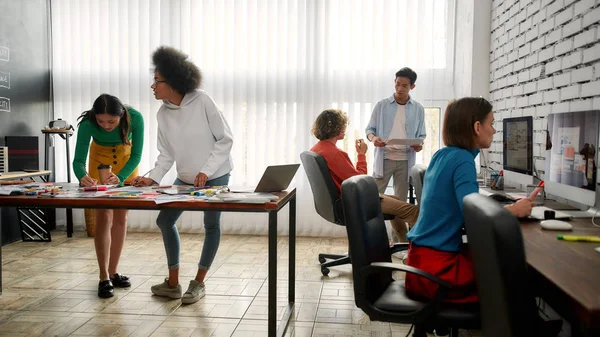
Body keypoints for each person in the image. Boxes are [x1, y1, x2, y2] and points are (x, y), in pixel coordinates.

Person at [405, 97, 533, 304]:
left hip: (420, 263)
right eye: (491, 123)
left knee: (500, 263)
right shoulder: (463, 161)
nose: (493, 130)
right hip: (437, 273)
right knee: (512, 276)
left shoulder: (441, 155)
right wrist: (514, 210)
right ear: (477, 127)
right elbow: (474, 218)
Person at [133, 46, 234, 304]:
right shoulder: (163, 113)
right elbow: (166, 153)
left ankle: (198, 282)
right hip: (185, 178)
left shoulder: (202, 101)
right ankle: (173, 283)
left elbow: (225, 140)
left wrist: (206, 171)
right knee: (165, 222)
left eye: (157, 81)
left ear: (174, 83)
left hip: (216, 176)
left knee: (211, 226)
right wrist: (152, 177)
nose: (152, 86)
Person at [73, 94, 144, 298]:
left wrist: (121, 177)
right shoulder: (87, 124)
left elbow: (137, 154)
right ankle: (103, 276)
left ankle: (114, 272)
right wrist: (83, 176)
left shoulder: (136, 118)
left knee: (121, 217)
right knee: (104, 215)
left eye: (111, 121)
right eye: (101, 121)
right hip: (99, 163)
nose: (106, 126)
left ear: (121, 114)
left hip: (126, 163)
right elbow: (78, 160)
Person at [310, 109, 419, 241]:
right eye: (343, 125)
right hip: (355, 202)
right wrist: (361, 155)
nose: (345, 128)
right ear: (334, 127)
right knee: (414, 211)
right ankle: (415, 252)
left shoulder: (316, 149)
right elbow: (358, 181)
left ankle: (403, 245)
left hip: (338, 203)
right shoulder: (334, 153)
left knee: (396, 199)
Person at [365, 67, 426, 201]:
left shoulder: (418, 109)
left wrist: (419, 145)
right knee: (372, 199)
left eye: (404, 86)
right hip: (384, 158)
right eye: (397, 84)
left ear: (412, 86)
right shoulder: (381, 105)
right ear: (394, 81)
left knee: (400, 203)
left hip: (405, 161)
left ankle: (400, 223)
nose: (399, 88)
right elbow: (369, 130)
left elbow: (421, 136)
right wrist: (374, 138)